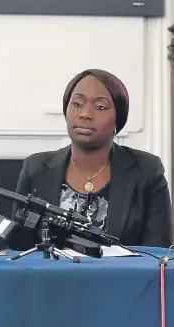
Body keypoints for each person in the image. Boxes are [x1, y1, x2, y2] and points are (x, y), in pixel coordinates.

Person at [11, 69, 173, 250]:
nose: (85, 114)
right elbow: (18, 245)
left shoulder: (147, 170)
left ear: (118, 119)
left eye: (100, 107)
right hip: (49, 278)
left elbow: (158, 251)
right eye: (77, 103)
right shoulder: (36, 168)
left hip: (123, 278)